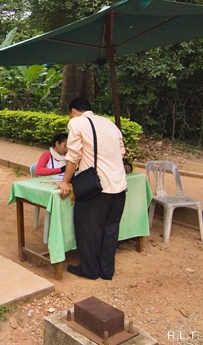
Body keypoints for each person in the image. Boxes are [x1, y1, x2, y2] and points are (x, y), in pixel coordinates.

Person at [56, 98, 127, 280]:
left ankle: (89, 270)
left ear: (73, 110)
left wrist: (65, 181)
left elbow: (73, 155)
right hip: (119, 186)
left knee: (88, 229)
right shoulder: (109, 123)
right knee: (110, 230)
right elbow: (121, 152)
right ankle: (106, 270)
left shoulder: (76, 123)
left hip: (97, 188)